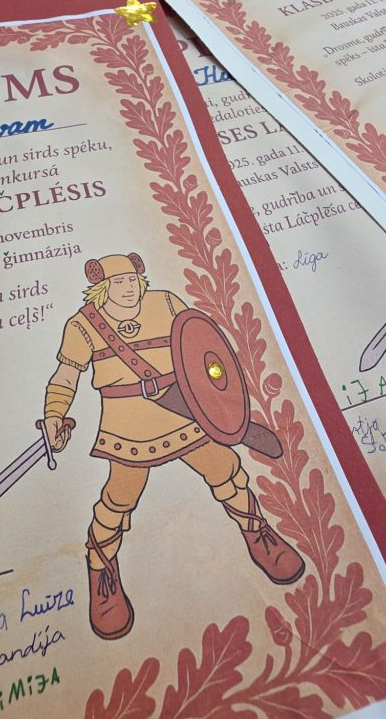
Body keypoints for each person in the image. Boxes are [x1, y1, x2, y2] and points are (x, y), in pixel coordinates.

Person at [42, 253, 305, 641]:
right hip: (128, 422)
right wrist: (54, 415)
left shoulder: (165, 303)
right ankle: (101, 570)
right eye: (119, 282)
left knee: (225, 469)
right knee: (119, 498)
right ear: (102, 287)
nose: (129, 288)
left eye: (132, 280)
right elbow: (65, 376)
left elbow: (204, 352)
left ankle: (258, 533)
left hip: (183, 409)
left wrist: (222, 401)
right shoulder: (82, 325)